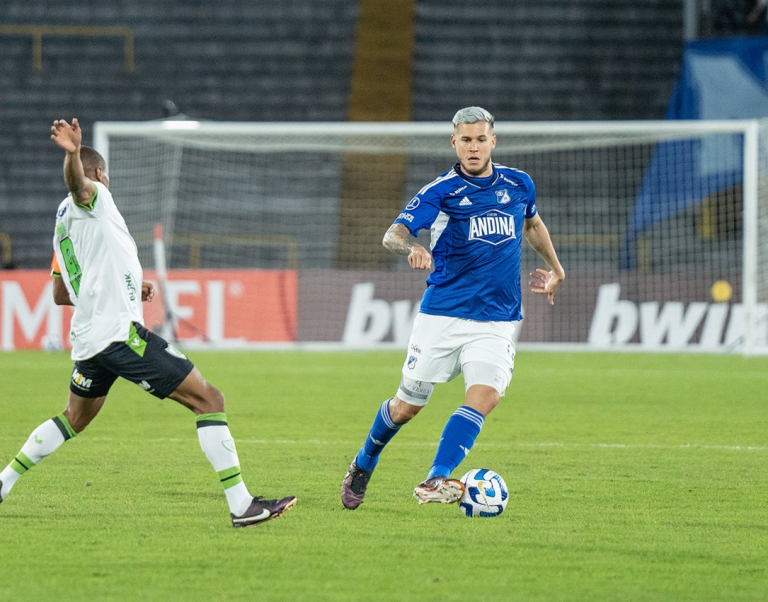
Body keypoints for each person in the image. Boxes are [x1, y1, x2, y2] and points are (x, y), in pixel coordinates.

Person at [0, 118, 296, 527]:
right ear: (101, 174)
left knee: (74, 418)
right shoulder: (93, 196)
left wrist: (125, 289)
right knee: (210, 400)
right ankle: (241, 505)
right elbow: (78, 186)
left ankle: (3, 482)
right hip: (119, 336)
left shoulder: (63, 226)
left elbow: (60, 293)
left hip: (89, 341)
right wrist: (73, 156)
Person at [341, 106, 565, 509]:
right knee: (406, 407)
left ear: (493, 141)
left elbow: (531, 224)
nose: (474, 147)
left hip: (497, 319)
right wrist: (413, 247)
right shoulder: (439, 192)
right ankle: (364, 461)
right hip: (442, 316)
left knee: (486, 395)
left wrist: (556, 267)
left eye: (481, 139)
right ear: (454, 143)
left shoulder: (519, 184)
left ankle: (435, 478)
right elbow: (393, 234)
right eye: (466, 140)